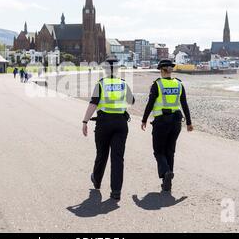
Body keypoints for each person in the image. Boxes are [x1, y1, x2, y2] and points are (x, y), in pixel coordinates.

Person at [82, 55, 135, 201]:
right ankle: (116, 191)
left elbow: (93, 104)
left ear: (105, 70)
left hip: (104, 123)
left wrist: (85, 121)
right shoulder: (123, 84)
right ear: (117, 70)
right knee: (117, 158)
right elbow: (132, 101)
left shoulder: (101, 84)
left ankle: (97, 180)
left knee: (102, 154)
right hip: (120, 123)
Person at [141, 59, 193, 192]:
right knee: (170, 151)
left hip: (162, 121)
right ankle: (167, 183)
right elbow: (184, 104)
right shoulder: (179, 84)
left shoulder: (157, 85)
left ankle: (166, 172)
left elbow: (150, 103)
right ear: (170, 70)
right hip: (176, 122)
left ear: (161, 70)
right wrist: (189, 122)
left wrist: (144, 119)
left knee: (158, 151)